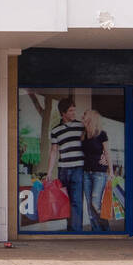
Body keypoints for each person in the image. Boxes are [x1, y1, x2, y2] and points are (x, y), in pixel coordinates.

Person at [47, 97, 86, 233]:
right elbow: (53, 152)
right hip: (63, 169)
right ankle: (71, 230)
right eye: (71, 111)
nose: (74, 113)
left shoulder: (81, 126)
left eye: (74, 110)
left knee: (76, 202)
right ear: (63, 113)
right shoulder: (55, 130)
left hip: (78, 169)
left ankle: (76, 232)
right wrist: (49, 173)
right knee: (65, 202)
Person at [81, 109, 110, 232]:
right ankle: (96, 231)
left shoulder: (101, 134)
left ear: (91, 118)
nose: (82, 116)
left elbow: (107, 152)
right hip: (86, 173)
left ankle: (105, 228)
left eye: (84, 114)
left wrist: (111, 172)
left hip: (99, 173)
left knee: (95, 203)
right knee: (89, 206)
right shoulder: (83, 134)